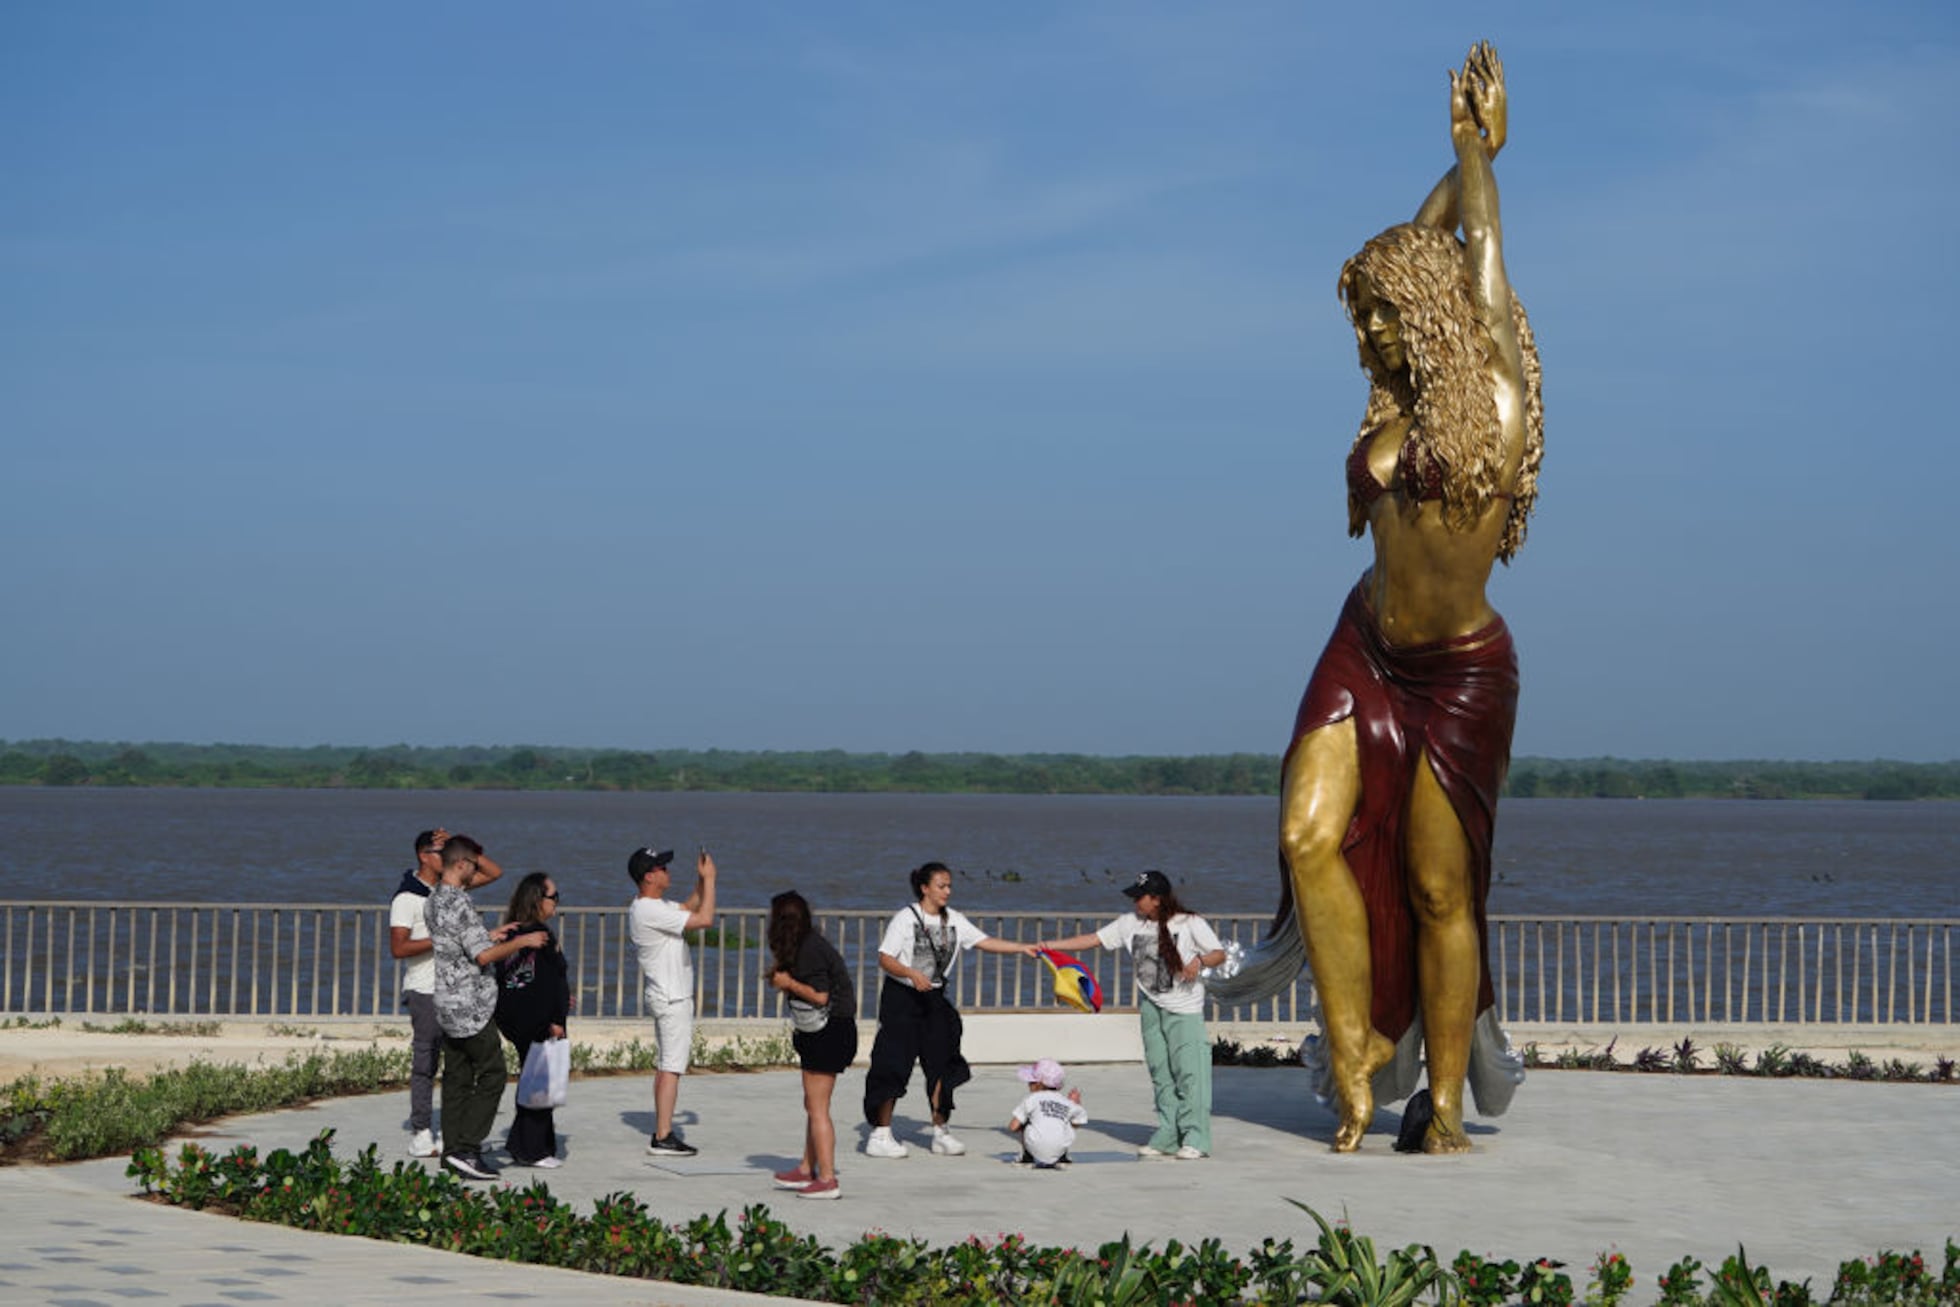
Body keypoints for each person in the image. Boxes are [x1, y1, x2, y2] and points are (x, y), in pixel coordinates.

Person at [1210, 43, 1539, 1154]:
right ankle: (1351, 1059)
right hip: (1363, 645)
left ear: (1435, 317)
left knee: (1441, 890)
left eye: (1386, 320)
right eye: (1366, 322)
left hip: (1457, 674)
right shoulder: (1390, 406)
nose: (1371, 339)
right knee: (1306, 833)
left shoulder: (1493, 403)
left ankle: (1439, 1102)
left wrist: (1477, 152)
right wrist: (1450, 168)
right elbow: (1414, 244)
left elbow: (1472, 253)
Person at [1041, 870, 1226, 1159]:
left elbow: (1218, 953)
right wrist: (1049, 946)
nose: (1135, 902)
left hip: (1185, 1010)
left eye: (1140, 897)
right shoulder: (1129, 923)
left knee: (1191, 1075)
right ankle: (1168, 1134)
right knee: (1160, 1073)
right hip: (1151, 1006)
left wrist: (1199, 961)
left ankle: (1196, 1137)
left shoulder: (1190, 922)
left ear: (1157, 899)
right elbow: (1093, 939)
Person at [862, 860, 1037, 1159]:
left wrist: (1021, 948)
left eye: (949, 886)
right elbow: (885, 958)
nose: (947, 891)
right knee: (893, 1063)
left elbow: (984, 941)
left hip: (934, 999)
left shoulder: (954, 919)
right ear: (924, 888)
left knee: (943, 1064)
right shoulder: (905, 918)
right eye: (941, 886)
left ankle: (940, 1131)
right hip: (902, 1000)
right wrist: (911, 973)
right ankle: (881, 1133)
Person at [425, 834, 545, 1181]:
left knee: (457, 1076)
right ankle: (467, 1147)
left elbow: (460, 943)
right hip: (470, 1005)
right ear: (462, 864)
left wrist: (490, 934)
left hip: (446, 1001)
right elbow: (482, 956)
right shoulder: (460, 903)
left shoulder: (434, 899)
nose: (476, 871)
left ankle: (452, 1151)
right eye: (473, 865)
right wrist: (523, 940)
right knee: (493, 1073)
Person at [388, 827, 502, 1157]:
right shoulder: (406, 897)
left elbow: (494, 873)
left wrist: (461, 846)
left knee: (458, 1066)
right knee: (425, 1061)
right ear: (423, 856)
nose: (445, 857)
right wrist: (444, 938)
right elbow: (398, 948)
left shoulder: (448, 890)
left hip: (456, 991)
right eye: (440, 851)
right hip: (424, 989)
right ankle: (421, 1130)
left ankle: (457, 1135)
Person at [765, 891, 856, 1200]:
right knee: (813, 1104)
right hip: (818, 1031)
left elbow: (820, 995)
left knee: (818, 1108)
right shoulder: (804, 945)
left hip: (829, 1031)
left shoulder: (810, 949)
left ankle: (828, 1179)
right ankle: (806, 1168)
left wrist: (788, 984)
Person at [628, 843, 717, 1157]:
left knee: (667, 1065)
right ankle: (663, 1136)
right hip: (672, 997)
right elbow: (704, 919)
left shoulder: (651, 905)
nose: (667, 872)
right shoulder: (649, 910)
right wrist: (712, 880)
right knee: (672, 1067)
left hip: (666, 994)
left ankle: (662, 1130)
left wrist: (700, 880)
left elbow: (689, 908)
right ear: (649, 876)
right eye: (662, 868)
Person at [494, 872, 570, 1168]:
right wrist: (556, 1019)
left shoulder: (512, 933)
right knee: (541, 1083)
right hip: (538, 1020)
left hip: (514, 1017)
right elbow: (548, 982)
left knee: (532, 1077)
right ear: (538, 900)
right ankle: (532, 1149)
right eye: (554, 897)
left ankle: (523, 1143)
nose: (557, 902)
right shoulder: (539, 936)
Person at [1007, 1057, 1087, 1169]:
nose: (1028, 1084)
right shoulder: (1065, 1101)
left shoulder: (1031, 1099)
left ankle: (1027, 1158)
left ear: (1039, 1083)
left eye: (1031, 1081)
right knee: (1063, 1120)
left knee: (1025, 1120)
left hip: (1035, 1145)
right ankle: (1062, 1158)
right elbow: (1078, 1122)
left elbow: (1013, 1127)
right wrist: (1075, 1104)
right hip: (1060, 1146)